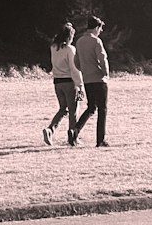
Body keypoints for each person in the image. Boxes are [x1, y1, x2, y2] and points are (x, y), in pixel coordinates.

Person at [43, 22, 84, 146]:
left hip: (57, 82)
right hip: (69, 82)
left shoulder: (54, 47)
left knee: (63, 109)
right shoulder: (70, 49)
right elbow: (74, 68)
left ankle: (50, 129)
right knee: (73, 110)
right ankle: (73, 137)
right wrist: (80, 84)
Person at [72, 15, 110, 147]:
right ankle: (100, 140)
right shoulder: (96, 41)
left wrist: (83, 70)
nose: (100, 31)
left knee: (91, 107)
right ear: (96, 27)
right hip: (99, 79)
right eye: (100, 28)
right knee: (102, 109)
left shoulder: (80, 41)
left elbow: (76, 61)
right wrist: (106, 73)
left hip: (87, 79)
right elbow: (102, 59)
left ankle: (75, 130)